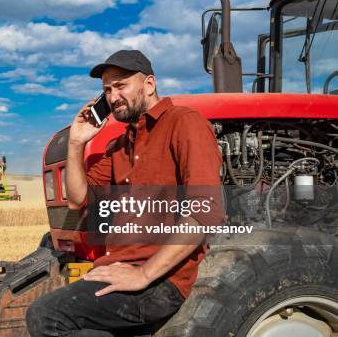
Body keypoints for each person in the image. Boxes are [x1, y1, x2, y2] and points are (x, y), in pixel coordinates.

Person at [26, 50, 225, 336]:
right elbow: (77, 200)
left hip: (159, 280)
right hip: (120, 269)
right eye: (107, 89)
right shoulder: (120, 146)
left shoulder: (185, 123)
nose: (112, 96)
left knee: (45, 315)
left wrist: (142, 275)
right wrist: (76, 143)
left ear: (149, 85)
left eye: (121, 85)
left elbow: (206, 212)